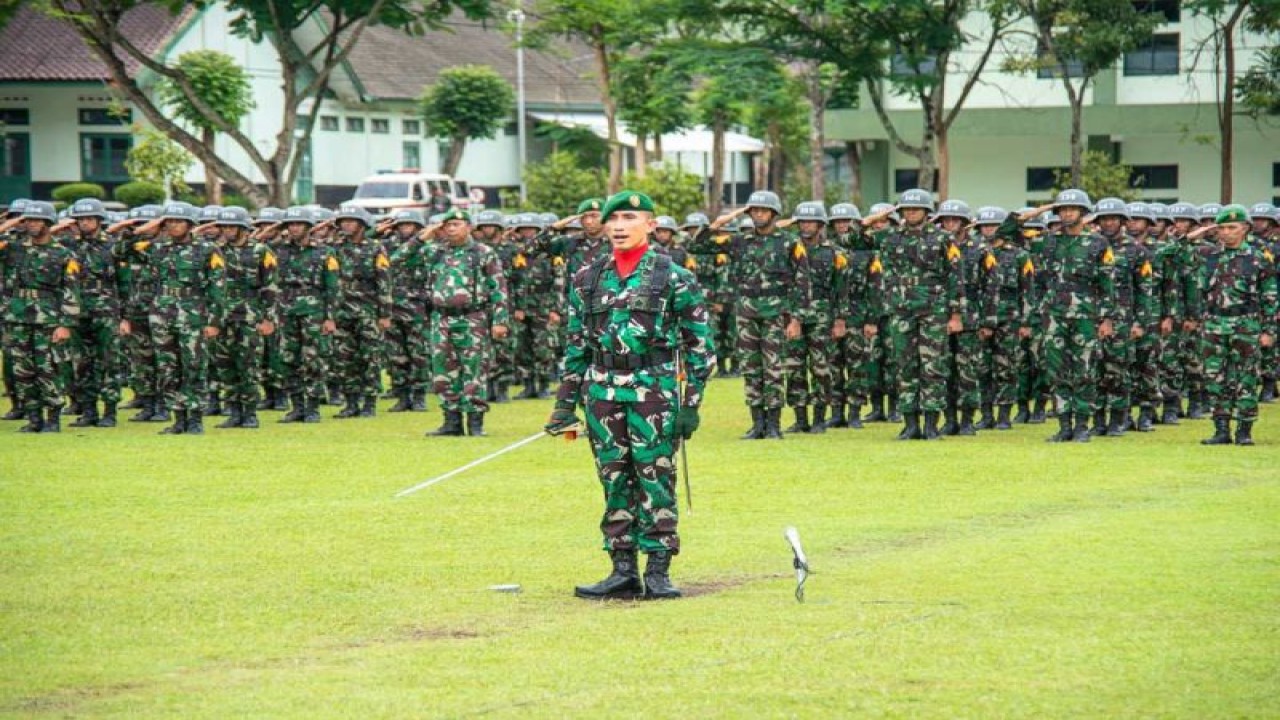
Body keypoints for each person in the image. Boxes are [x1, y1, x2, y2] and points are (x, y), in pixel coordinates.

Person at [545, 190, 714, 601]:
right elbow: (576, 346)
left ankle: (658, 570)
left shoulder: (673, 276)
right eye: (613, 218)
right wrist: (564, 405)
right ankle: (622, 569)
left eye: (630, 217)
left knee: (655, 479)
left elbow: (700, 348)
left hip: (653, 390)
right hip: (602, 391)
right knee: (614, 478)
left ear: (651, 225)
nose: (619, 226)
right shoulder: (587, 278)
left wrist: (690, 406)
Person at [689, 191, 810, 439]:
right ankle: (757, 424)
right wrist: (721, 221)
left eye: (763, 210)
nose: (758, 214)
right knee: (751, 368)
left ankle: (774, 425)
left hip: (776, 314)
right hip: (746, 314)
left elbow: (802, 282)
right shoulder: (739, 241)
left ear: (774, 214)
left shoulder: (790, 243)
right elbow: (696, 245)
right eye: (753, 210)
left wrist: (796, 318)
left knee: (773, 369)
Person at [419, 209, 509, 437]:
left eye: (456, 224)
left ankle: (475, 422)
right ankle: (451, 421)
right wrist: (424, 236)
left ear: (469, 227)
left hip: (472, 318)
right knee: (443, 370)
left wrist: (500, 320)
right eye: (447, 225)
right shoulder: (435, 252)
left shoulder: (483, 253)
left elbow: (498, 288)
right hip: (441, 318)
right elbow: (399, 259)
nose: (451, 229)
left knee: (474, 369)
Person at [1193, 205, 1278, 446]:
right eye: (1222, 228)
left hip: (1245, 324)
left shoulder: (1259, 258)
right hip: (1214, 324)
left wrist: (1268, 331)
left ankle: (1244, 429)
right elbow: (1169, 255)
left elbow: (1270, 298)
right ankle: (1221, 429)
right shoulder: (1208, 256)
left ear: (1245, 229)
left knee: (1246, 377)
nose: (1226, 232)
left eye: (1232, 227)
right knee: (1214, 377)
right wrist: (1193, 236)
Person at [0, 201, 80, 432]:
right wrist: (12, 221)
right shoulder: (13, 248)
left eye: (37, 220)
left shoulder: (63, 253)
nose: (32, 224)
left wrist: (65, 324)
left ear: (48, 223)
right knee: (22, 371)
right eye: (28, 220)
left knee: (49, 369)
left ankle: (53, 418)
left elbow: (71, 291)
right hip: (17, 317)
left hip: (49, 319)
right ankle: (33, 418)